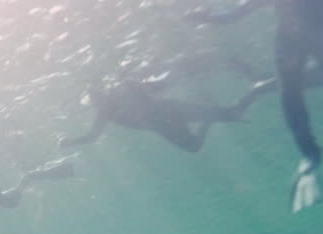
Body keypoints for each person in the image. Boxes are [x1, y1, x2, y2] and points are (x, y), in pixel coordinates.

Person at [189, 0, 323, 212]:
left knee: (287, 91)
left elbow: (234, 13)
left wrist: (207, 17)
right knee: (287, 90)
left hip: (297, 34)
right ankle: (308, 155)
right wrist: (207, 16)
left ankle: (309, 155)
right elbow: (234, 13)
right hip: (297, 35)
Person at [59, 73, 264, 153]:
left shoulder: (116, 95)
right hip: (167, 117)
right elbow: (91, 136)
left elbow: (91, 137)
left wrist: (70, 141)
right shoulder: (107, 110)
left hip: (168, 114)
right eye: (95, 100)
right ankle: (256, 91)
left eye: (96, 98)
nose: (97, 103)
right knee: (195, 145)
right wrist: (71, 141)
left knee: (227, 116)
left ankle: (259, 88)